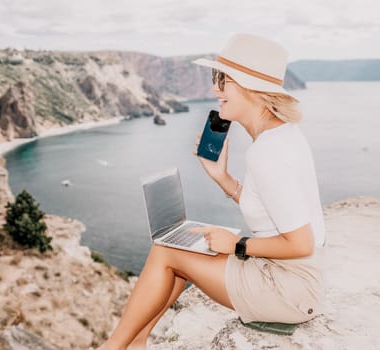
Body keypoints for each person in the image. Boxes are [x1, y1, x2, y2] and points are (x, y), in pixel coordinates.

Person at [96, 33, 326, 350]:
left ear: (252, 89)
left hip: (287, 289)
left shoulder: (268, 153)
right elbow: (274, 210)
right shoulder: (283, 136)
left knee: (167, 251)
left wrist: (237, 244)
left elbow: (302, 243)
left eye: (223, 81)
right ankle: (135, 342)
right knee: (180, 250)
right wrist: (223, 178)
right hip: (293, 278)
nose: (214, 90)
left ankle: (114, 347)